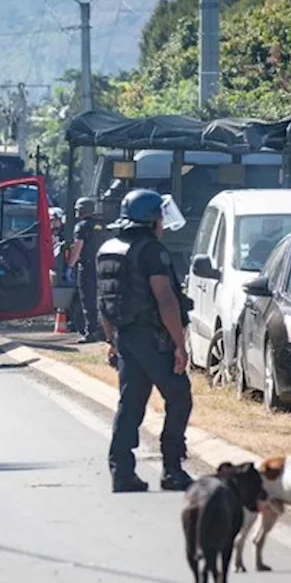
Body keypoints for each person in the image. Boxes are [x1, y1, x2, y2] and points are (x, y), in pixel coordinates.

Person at [96, 189, 195, 494]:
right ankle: (172, 470)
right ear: (151, 218)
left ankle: (122, 472)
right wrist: (179, 344)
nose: (163, 221)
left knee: (131, 404)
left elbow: (104, 301)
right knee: (179, 397)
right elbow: (165, 299)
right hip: (153, 339)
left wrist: (112, 340)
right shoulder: (151, 251)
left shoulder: (108, 249)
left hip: (125, 338)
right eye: (160, 215)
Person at [67, 197, 105, 343]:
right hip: (100, 265)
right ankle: (103, 330)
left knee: (87, 299)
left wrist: (70, 266)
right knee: (99, 298)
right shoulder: (100, 225)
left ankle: (91, 332)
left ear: (82, 210)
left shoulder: (81, 227)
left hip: (87, 267)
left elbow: (77, 248)